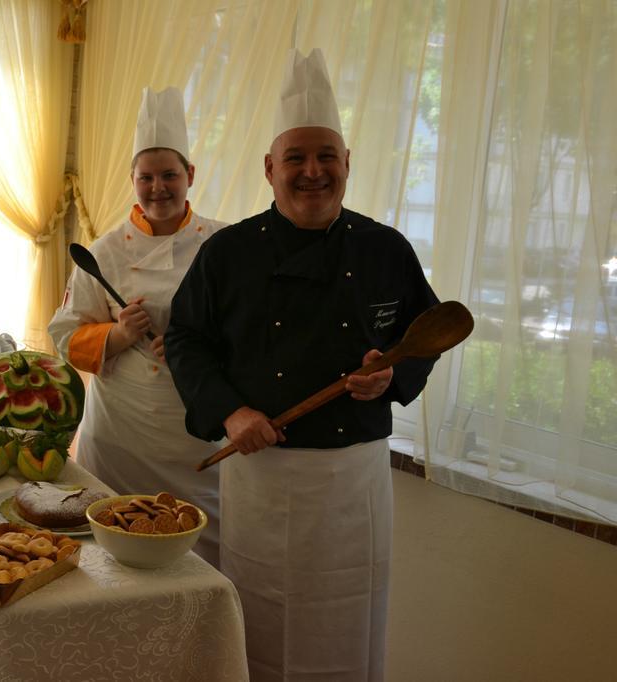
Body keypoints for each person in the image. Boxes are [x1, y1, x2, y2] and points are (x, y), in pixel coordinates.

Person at [166, 48, 440, 680]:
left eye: (326, 157)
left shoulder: (385, 247)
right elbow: (185, 340)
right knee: (261, 616)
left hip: (355, 479)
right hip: (263, 472)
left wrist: (390, 376)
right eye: (296, 158)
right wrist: (231, 413)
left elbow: (422, 336)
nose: (312, 172)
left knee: (349, 617)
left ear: (347, 164)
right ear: (270, 168)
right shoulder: (228, 253)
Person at [49, 87, 227, 567]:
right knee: (110, 556)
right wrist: (117, 335)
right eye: (146, 177)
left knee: (199, 558)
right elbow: (64, 334)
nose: (158, 188)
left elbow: (251, 332)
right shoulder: (104, 252)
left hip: (197, 436)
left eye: (169, 175)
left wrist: (199, 349)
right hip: (118, 439)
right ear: (132, 180)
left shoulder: (224, 244)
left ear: (189, 176)